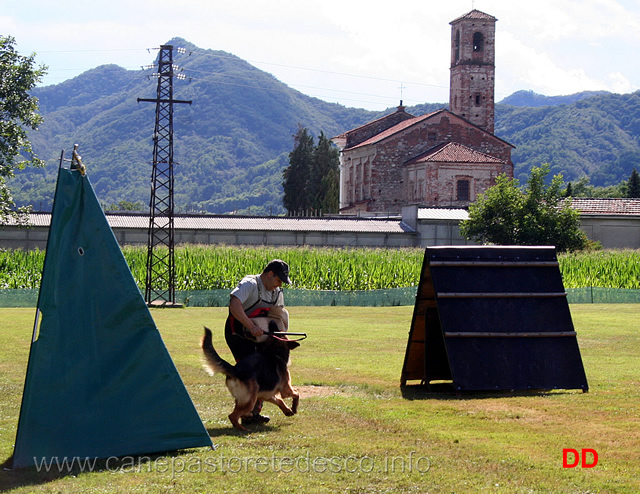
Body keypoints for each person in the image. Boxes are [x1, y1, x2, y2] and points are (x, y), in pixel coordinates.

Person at [224, 259, 291, 425]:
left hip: (261, 335)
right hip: (238, 333)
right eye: (278, 280)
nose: (278, 284)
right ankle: (246, 413)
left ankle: (254, 411)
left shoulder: (276, 292)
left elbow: (277, 316)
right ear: (270, 274)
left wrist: (282, 337)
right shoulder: (250, 284)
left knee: (264, 370)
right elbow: (234, 304)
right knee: (249, 372)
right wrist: (250, 325)